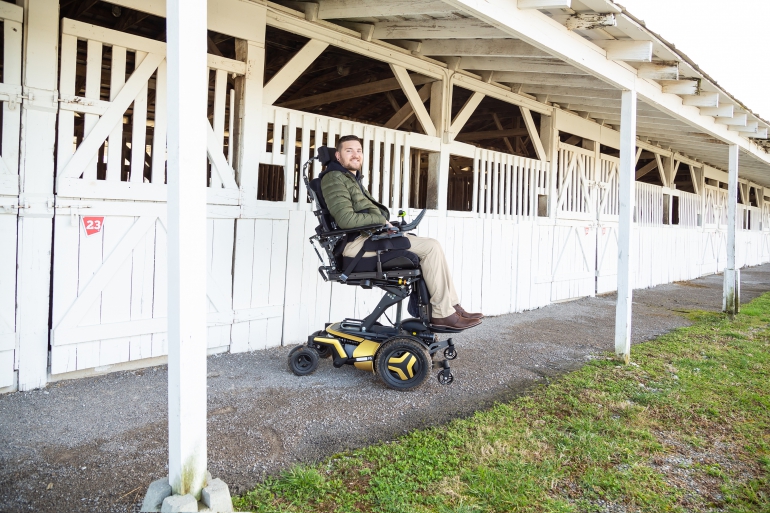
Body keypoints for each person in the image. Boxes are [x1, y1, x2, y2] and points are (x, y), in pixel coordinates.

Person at [320, 135, 483, 330]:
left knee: (431, 245)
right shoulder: (334, 178)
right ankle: (442, 314)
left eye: (359, 150)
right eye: (349, 151)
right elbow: (346, 221)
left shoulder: (349, 178)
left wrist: (389, 226)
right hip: (356, 246)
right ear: (338, 155)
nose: (356, 155)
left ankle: (452, 307)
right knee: (431, 247)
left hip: (367, 238)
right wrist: (381, 220)